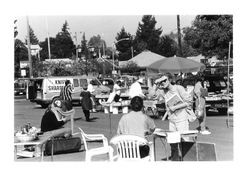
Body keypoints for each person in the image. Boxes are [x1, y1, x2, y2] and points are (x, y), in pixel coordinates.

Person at [155, 73, 192, 161]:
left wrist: (175, 107)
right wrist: (156, 83)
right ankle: (175, 159)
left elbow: (189, 102)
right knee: (173, 142)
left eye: (165, 80)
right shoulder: (163, 91)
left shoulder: (178, 88)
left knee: (184, 141)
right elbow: (152, 94)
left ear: (170, 80)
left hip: (181, 118)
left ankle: (186, 159)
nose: (163, 82)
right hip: (172, 120)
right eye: (162, 81)